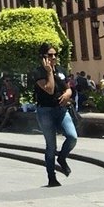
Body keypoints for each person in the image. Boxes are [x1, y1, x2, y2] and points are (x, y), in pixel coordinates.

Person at [32, 43, 77, 187]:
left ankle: (62, 157)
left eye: (55, 55)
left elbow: (68, 88)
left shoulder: (61, 70)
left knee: (72, 137)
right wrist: (49, 71)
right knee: (51, 145)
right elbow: (50, 90)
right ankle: (52, 177)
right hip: (45, 111)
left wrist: (68, 94)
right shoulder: (38, 72)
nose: (53, 57)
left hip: (61, 109)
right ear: (43, 57)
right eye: (49, 55)